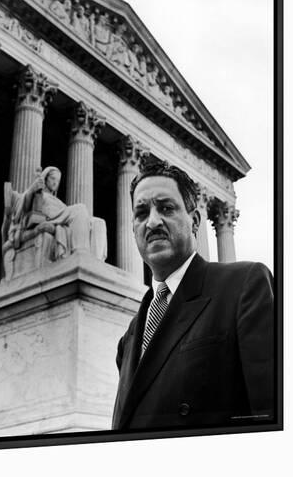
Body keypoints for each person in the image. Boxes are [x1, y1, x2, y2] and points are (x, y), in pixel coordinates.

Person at [112, 160, 274, 430]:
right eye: (141, 213)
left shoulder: (244, 286)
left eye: (166, 208)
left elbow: (271, 415)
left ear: (195, 220)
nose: (152, 222)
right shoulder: (128, 337)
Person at [1, 167, 92, 281]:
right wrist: (32, 189)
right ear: (45, 178)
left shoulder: (58, 201)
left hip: (61, 218)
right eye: (53, 179)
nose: (55, 183)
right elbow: (21, 210)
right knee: (81, 209)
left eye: (57, 181)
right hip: (49, 218)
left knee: (98, 223)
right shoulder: (37, 193)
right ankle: (80, 254)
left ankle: (92, 261)